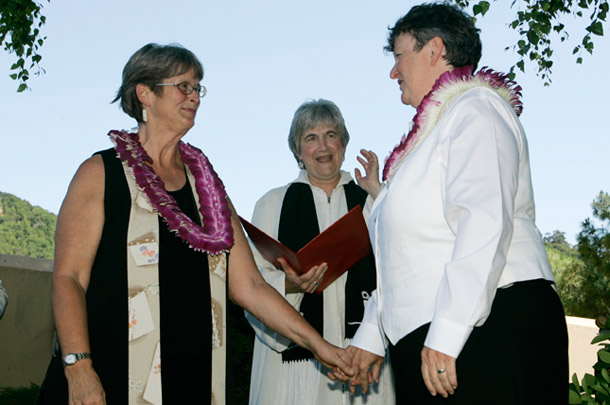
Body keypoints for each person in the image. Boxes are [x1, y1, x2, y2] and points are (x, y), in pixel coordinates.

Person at [37, 43, 353, 405]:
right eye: (183, 86)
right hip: (111, 373)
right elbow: (69, 278)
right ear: (145, 94)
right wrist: (78, 366)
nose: (194, 97)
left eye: (197, 87)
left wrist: (320, 346)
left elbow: (250, 286)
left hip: (196, 377)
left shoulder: (209, 190)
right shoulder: (100, 174)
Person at [335, 4, 569, 404]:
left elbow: (484, 222)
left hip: (488, 324)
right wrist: (371, 337)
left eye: (398, 56)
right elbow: (407, 255)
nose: (393, 72)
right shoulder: (430, 136)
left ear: (434, 49)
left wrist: (448, 331)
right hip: (435, 336)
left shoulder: (477, 107)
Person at [246, 99, 395, 404]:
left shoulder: (371, 200)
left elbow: (400, 268)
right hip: (294, 360)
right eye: (310, 138)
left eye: (331, 134)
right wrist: (289, 284)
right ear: (298, 152)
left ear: (344, 142)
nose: (323, 146)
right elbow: (252, 281)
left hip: (363, 350)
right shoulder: (272, 204)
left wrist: (381, 196)